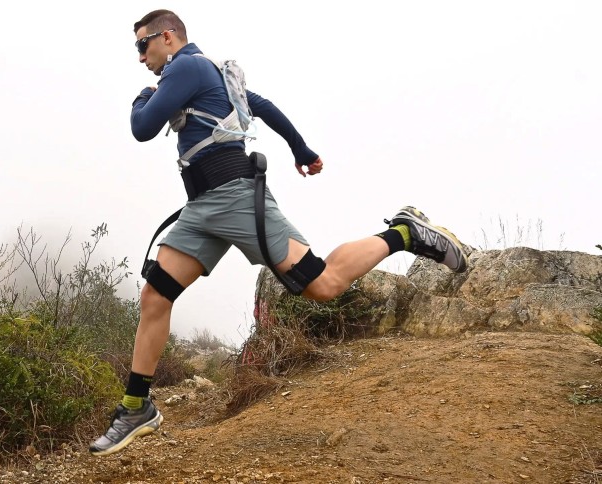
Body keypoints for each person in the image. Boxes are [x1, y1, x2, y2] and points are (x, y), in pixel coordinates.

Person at [89, 9, 467, 456]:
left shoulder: (187, 66)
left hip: (234, 198)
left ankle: (406, 234)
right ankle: (136, 408)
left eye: (141, 45)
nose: (139, 57)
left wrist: (140, 99)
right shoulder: (203, 73)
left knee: (322, 284)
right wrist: (300, 147)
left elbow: (142, 128)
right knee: (156, 295)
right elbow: (259, 105)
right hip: (201, 209)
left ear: (167, 37)